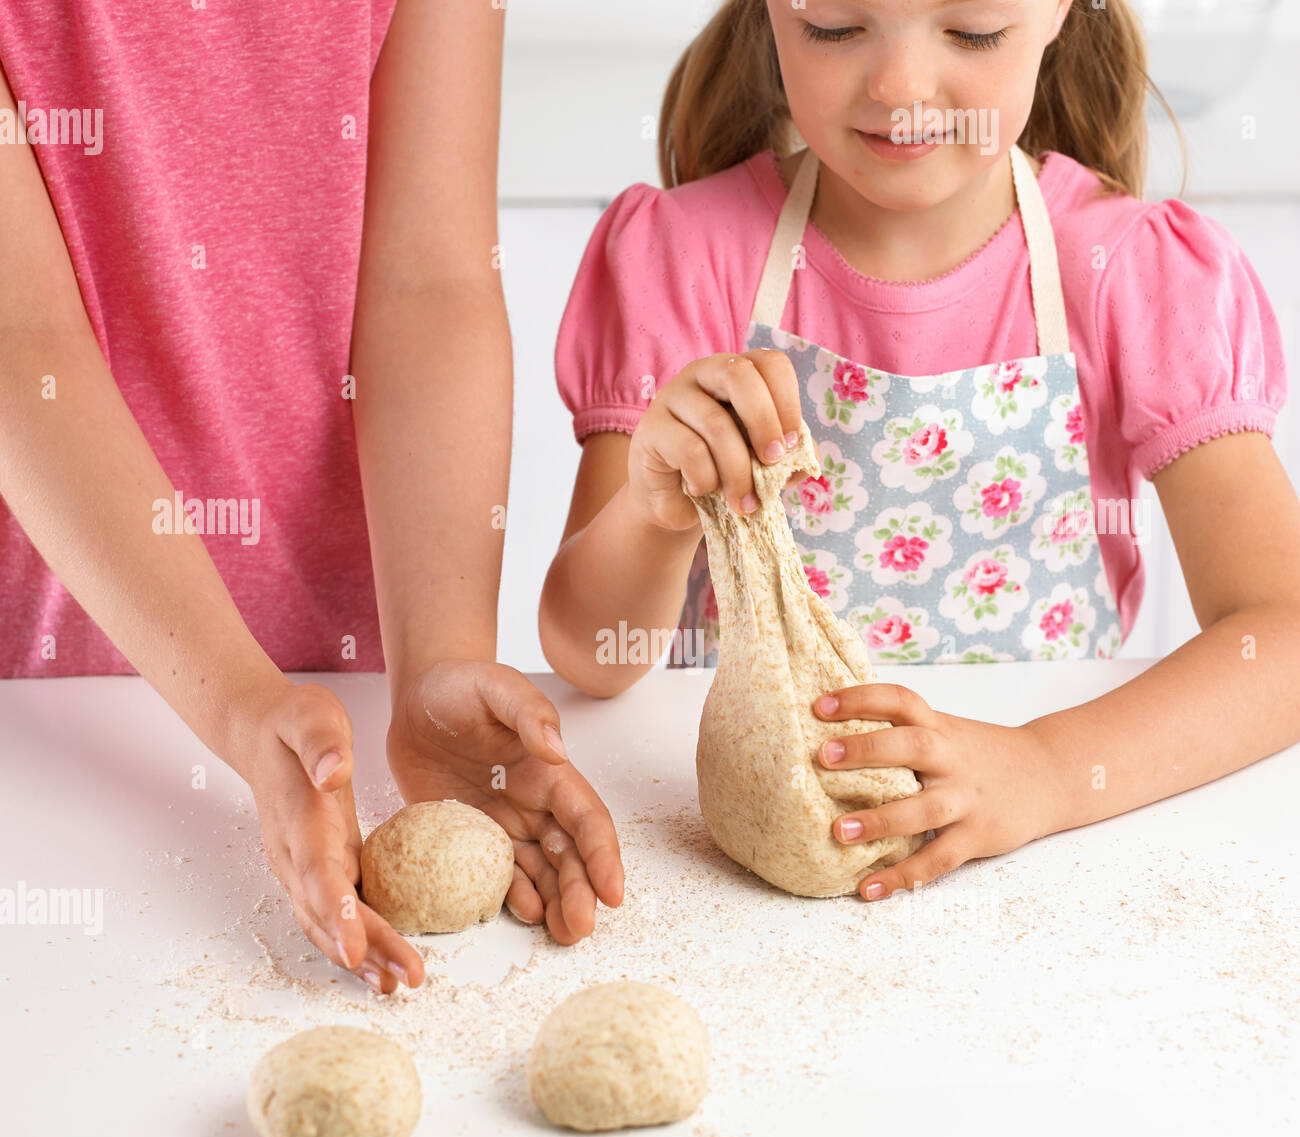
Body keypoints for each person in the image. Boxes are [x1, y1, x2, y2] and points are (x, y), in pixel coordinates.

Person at [541, 0, 1299, 900]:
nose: (900, 87)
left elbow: (1280, 634)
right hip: (729, 879)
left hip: (1053, 864)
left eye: (972, 31)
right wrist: (653, 512)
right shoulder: (685, 254)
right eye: (833, 26)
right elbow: (591, 653)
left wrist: (1048, 769)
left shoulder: (1128, 269)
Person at [0, 1, 623, 991]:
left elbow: (431, 283)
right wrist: (240, 710)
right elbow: (20, 343)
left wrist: (441, 660)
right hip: (48, 696)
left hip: (335, 662)